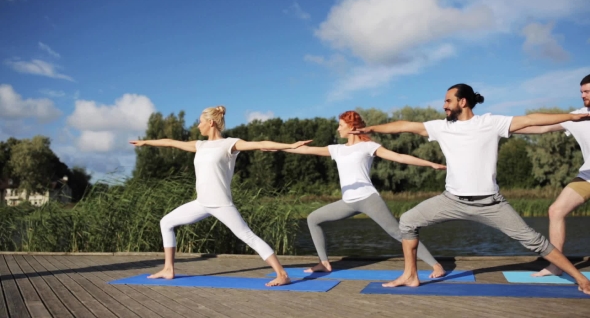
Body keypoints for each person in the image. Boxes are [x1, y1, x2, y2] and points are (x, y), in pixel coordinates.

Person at [353, 83, 590, 294]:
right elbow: (406, 126)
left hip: (490, 203)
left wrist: (572, 117)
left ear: (462, 101)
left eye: (448, 100)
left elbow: (531, 120)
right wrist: (372, 128)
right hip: (451, 200)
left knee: (535, 242)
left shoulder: (491, 122)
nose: (444, 105)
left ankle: (581, 279)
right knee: (407, 221)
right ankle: (410, 275)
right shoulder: (441, 127)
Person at [130, 105, 312, 286]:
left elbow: (261, 144)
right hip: (201, 202)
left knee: (247, 236)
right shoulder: (199, 145)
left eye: (200, 122)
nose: (197, 126)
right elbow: (170, 142)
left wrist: (290, 145)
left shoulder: (229, 144)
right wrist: (146, 142)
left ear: (210, 123)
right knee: (166, 222)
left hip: (221, 203)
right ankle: (168, 269)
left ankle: (282, 274)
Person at [278, 110, 447, 278]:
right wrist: (277, 148)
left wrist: (430, 164)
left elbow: (399, 157)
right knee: (313, 218)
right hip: (348, 202)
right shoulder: (337, 149)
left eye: (341, 125)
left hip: (368, 199)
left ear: (351, 126)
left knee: (397, 232)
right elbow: (306, 150)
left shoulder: (368, 146)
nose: (338, 129)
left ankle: (436, 265)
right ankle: (324, 263)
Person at [513, 74, 590, 277]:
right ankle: (557, 266)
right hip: (588, 176)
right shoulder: (579, 116)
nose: (583, 95)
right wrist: (507, 129)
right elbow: (543, 127)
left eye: (587, 91)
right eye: (581, 92)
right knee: (556, 210)